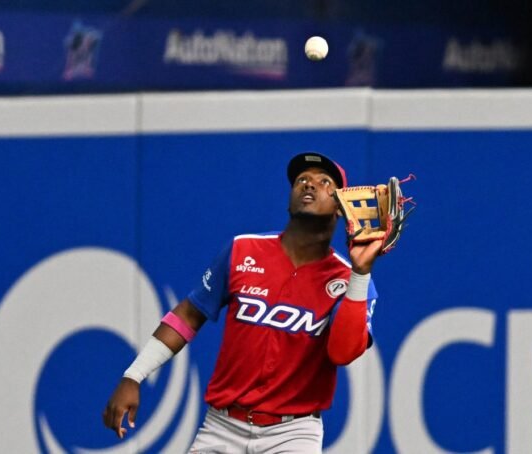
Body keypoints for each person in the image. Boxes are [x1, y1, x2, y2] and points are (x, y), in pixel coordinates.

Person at [103, 152, 383, 453]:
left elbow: (343, 352)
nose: (309, 185)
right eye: (301, 180)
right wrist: (134, 375)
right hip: (222, 427)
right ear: (289, 201)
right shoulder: (243, 249)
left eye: (325, 182)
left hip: (293, 434)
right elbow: (189, 314)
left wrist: (360, 273)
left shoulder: (349, 279)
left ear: (341, 207)